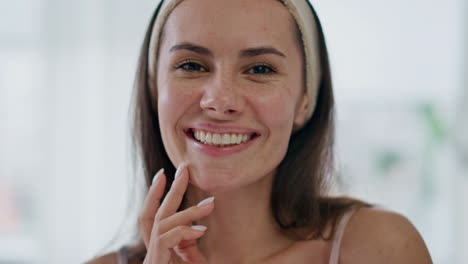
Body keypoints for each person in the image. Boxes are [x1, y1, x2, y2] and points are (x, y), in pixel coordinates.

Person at [87, 0, 433, 263]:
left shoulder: (380, 248)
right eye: (191, 65)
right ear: (154, 90)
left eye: (260, 69)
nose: (220, 101)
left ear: (305, 100)